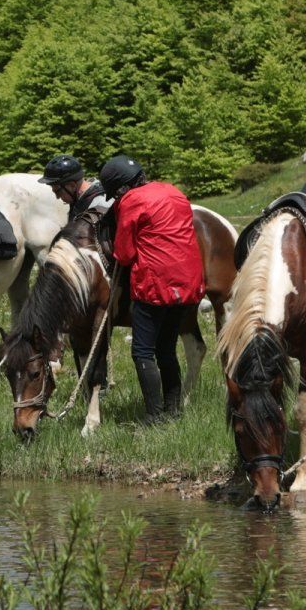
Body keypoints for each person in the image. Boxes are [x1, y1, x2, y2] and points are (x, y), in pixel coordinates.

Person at [100, 154, 203, 425]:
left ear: (121, 188)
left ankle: (154, 416)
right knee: (166, 348)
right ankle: (174, 411)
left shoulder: (131, 201)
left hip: (155, 284)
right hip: (188, 282)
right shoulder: (172, 190)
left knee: (142, 351)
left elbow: (123, 253)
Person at [38, 154, 110, 219]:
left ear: (72, 185)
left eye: (58, 191)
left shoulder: (99, 205)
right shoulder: (79, 200)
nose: (57, 197)